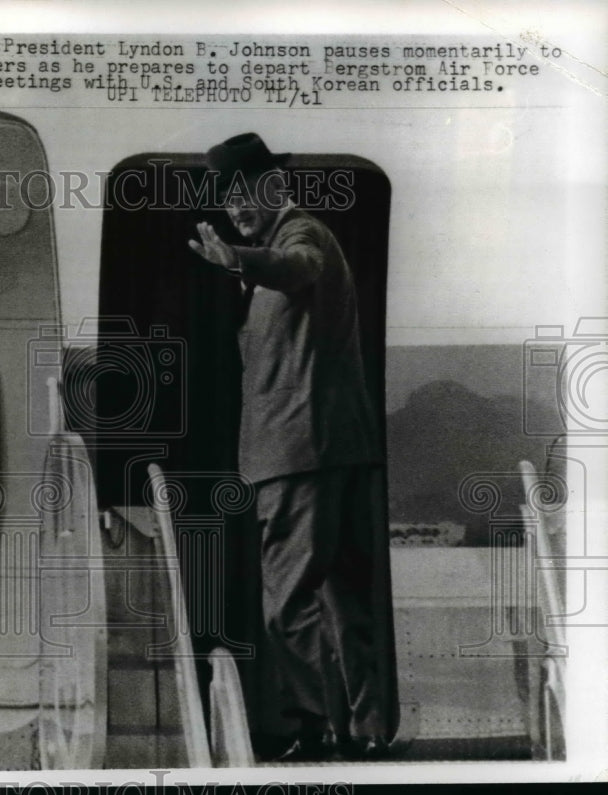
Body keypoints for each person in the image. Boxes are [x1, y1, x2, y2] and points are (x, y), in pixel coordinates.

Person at [188, 132, 391, 761]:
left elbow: (299, 267)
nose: (239, 205)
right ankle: (365, 732)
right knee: (347, 603)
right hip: (337, 450)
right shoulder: (284, 243)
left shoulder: (301, 236)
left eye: (249, 190)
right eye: (228, 198)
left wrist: (238, 260)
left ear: (277, 186)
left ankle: (312, 723)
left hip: (300, 454)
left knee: (288, 605)